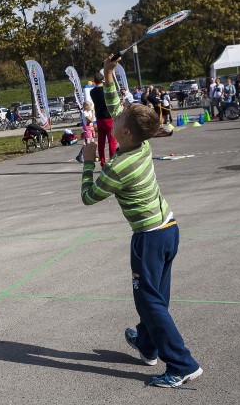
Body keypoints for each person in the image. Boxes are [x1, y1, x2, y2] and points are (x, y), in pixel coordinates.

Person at [81, 55, 202, 389]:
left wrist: (87, 163)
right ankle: (147, 345)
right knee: (156, 297)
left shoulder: (118, 168)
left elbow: (89, 197)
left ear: (126, 131)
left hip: (149, 237)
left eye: (118, 116)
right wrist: (107, 73)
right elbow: (113, 101)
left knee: (148, 300)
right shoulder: (142, 146)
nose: (114, 114)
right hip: (169, 227)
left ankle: (182, 364)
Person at [90, 71, 118, 167]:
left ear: (94, 81)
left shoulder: (92, 92)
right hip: (109, 117)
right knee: (112, 141)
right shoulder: (106, 90)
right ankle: (112, 162)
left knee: (101, 142)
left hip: (99, 118)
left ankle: (102, 162)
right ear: (103, 80)